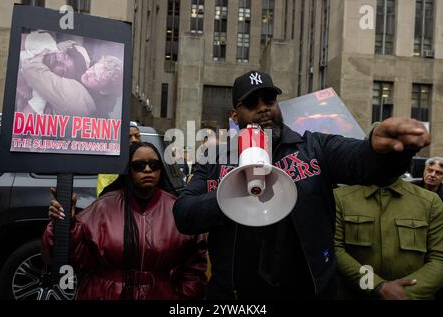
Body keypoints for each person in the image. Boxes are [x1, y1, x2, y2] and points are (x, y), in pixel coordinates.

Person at [173, 70, 430, 300]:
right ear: (234, 115)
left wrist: (385, 150)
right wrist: (232, 195)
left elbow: (362, 163)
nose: (263, 108)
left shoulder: (315, 148)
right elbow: (184, 215)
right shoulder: (215, 160)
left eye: (269, 101)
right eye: (252, 103)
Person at [42, 142, 208, 300]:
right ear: (128, 170)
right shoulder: (103, 207)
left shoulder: (176, 210)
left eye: (154, 165)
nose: (148, 169)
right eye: (139, 166)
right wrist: (65, 225)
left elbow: (195, 265)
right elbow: (73, 256)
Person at [334, 177, 443, 300]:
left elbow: (438, 259)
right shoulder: (341, 198)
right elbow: (336, 250)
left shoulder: (429, 202)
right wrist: (376, 286)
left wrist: (402, 294)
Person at [21, 42, 123, 117]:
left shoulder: (76, 98)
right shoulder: (87, 74)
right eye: (93, 68)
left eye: (95, 77)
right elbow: (70, 44)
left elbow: (31, 69)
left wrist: (48, 50)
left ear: (103, 91)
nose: (88, 73)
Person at [96, 122, 141, 197]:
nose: (134, 140)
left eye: (137, 136)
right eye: (129, 136)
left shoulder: (147, 157)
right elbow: (103, 196)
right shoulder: (111, 163)